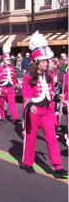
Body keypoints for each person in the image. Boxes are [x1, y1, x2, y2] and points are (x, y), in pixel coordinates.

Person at [21, 31, 66, 176]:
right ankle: (27, 162)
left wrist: (56, 97)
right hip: (34, 110)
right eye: (43, 61)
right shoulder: (29, 77)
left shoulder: (48, 76)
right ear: (36, 63)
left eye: (47, 61)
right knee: (31, 136)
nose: (47, 63)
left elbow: (50, 93)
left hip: (46, 111)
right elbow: (26, 94)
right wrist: (30, 105)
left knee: (52, 138)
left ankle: (57, 167)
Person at [0, 44, 21, 124]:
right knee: (1, 103)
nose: (9, 61)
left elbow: (13, 77)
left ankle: (15, 117)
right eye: (7, 60)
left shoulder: (11, 68)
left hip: (11, 87)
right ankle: (2, 116)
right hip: (3, 87)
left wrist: (15, 84)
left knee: (12, 103)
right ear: (3, 61)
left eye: (9, 60)